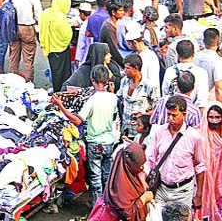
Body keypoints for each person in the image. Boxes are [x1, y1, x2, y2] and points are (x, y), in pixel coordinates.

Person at [51, 65, 118, 203]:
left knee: (95, 178)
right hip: (109, 142)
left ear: (92, 80)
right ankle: (109, 205)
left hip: (95, 143)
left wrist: (60, 105)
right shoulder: (113, 98)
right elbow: (114, 117)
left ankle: (97, 207)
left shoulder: (92, 100)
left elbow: (77, 121)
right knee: (107, 176)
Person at [143, 96, 206, 209]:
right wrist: (144, 180)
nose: (170, 119)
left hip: (183, 192)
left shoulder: (194, 137)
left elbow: (200, 166)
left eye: (174, 115)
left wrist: (199, 195)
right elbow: (150, 160)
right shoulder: (159, 132)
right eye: (168, 115)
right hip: (161, 189)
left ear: (184, 114)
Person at [103, 144, 154, 220]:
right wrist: (144, 198)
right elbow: (127, 214)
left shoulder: (131, 174)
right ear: (130, 165)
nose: (141, 168)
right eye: (139, 166)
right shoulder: (120, 185)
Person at [9, 0, 41, 82]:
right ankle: (28, 83)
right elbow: (38, 16)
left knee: (14, 55)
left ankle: (13, 80)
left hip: (13, 26)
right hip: (27, 28)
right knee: (28, 58)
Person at [117, 53, 160, 139]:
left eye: (127, 68)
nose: (125, 71)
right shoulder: (124, 81)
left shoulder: (148, 86)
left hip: (139, 131)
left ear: (136, 69)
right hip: (125, 129)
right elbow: (119, 97)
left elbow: (158, 108)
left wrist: (145, 114)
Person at [39, 0, 72, 92]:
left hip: (49, 47)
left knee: (55, 71)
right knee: (62, 73)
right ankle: (61, 92)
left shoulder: (46, 13)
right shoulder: (60, 18)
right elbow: (66, 35)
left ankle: (56, 90)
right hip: (60, 49)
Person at [162, 40, 208, 111]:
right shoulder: (201, 73)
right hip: (193, 114)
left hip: (172, 113)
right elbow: (202, 102)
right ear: (193, 54)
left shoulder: (169, 71)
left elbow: (165, 94)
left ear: (178, 56)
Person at [124, 24, 161, 94]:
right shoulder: (148, 54)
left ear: (134, 42)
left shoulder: (146, 57)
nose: (129, 46)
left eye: (129, 44)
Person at [194, 28, 222, 105]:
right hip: (210, 103)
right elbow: (219, 88)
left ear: (203, 41)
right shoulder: (218, 61)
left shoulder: (195, 57)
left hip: (194, 101)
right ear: (218, 43)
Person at [100, 0, 125, 68]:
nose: (123, 12)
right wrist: (124, 65)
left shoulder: (114, 24)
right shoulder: (108, 28)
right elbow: (114, 51)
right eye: (120, 11)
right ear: (113, 12)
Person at [74, 2, 93, 68]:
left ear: (82, 14)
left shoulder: (84, 26)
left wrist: (78, 58)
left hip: (85, 55)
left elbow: (81, 44)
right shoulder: (93, 22)